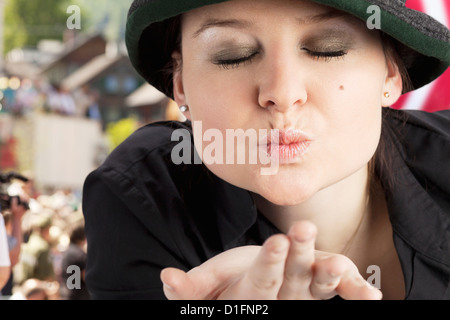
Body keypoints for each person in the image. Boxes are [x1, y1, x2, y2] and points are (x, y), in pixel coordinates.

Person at [82, 0, 450, 300]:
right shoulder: (140, 197)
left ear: (390, 73)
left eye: (328, 48)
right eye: (232, 55)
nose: (283, 94)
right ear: (180, 85)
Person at [59, 220, 90, 300]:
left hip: (67, 293)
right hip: (78, 295)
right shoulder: (79, 254)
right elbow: (87, 277)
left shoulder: (69, 251)